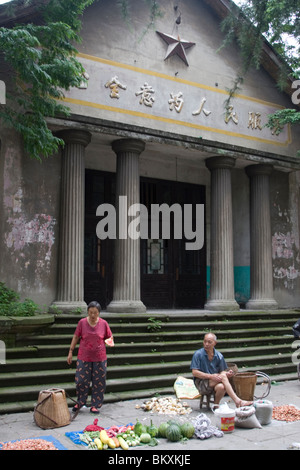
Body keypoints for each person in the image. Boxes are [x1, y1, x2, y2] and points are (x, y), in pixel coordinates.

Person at [67, 301, 114, 414]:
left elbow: (110, 336)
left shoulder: (104, 324)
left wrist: (109, 342)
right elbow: (76, 337)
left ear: (99, 313)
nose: (93, 315)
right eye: (91, 312)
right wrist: (70, 351)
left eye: (95, 313)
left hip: (100, 357)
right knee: (81, 380)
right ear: (88, 312)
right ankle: (80, 402)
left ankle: (95, 405)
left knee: (99, 382)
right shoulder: (82, 323)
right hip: (84, 357)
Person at [190, 332, 252, 409]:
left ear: (215, 343)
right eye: (205, 341)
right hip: (201, 383)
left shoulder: (219, 356)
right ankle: (238, 401)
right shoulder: (198, 354)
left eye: (209, 342)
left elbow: (222, 371)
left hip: (215, 381)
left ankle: (216, 405)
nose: (206, 344)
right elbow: (194, 372)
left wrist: (226, 374)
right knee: (223, 377)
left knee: (222, 387)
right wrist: (211, 376)